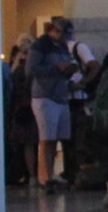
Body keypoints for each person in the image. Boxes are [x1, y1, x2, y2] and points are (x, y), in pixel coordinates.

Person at [25, 17, 85, 193]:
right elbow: (31, 70)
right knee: (47, 137)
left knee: (58, 136)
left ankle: (52, 174)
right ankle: (46, 175)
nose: (66, 37)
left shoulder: (62, 46)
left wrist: (69, 72)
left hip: (60, 94)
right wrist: (55, 68)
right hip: (45, 95)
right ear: (54, 31)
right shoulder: (40, 46)